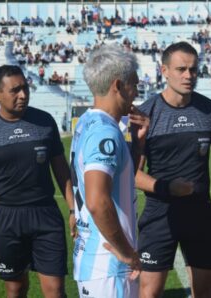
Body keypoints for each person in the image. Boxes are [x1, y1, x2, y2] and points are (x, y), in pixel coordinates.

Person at [135, 41, 211, 298]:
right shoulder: (147, 113)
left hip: (200, 212)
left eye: (193, 70)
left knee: (204, 292)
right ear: (164, 71)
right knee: (149, 292)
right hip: (159, 215)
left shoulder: (210, 111)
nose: (188, 76)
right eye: (181, 69)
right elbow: (133, 174)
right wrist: (166, 187)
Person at [0, 65, 76, 298]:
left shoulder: (44, 122)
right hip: (6, 219)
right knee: (16, 289)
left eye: (25, 88)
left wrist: (74, 208)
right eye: (15, 90)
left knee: (55, 291)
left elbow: (61, 170)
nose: (23, 95)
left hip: (45, 215)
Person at [70, 44, 149, 297]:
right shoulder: (105, 132)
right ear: (118, 85)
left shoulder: (87, 122)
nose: (136, 92)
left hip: (93, 259)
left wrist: (138, 144)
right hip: (108, 264)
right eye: (134, 85)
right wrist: (126, 252)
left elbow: (122, 181)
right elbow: (97, 201)